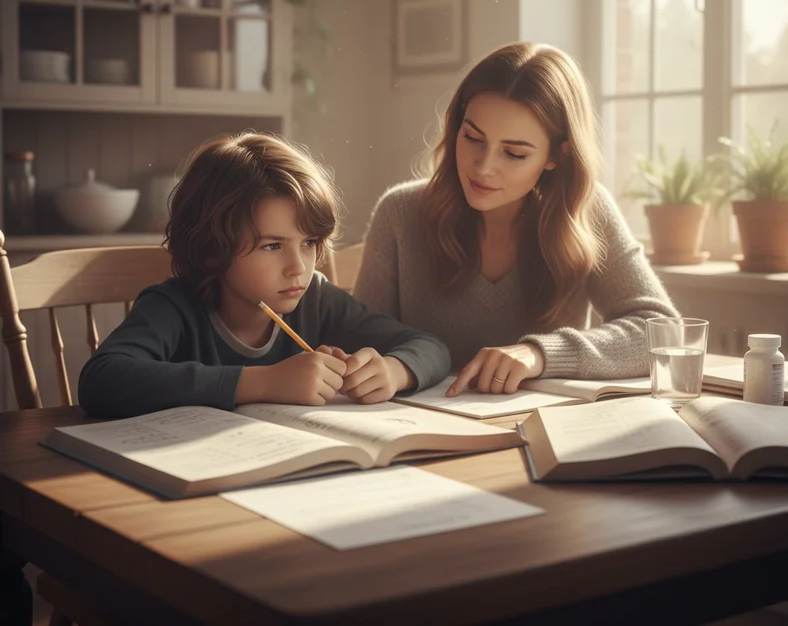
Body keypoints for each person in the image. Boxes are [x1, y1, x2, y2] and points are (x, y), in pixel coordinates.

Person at [353, 42, 678, 396]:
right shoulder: (400, 213)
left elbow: (663, 333)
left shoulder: (586, 210)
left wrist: (539, 354)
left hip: (545, 432)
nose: (483, 166)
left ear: (556, 156)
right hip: (414, 430)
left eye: (514, 153)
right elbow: (358, 344)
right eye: (473, 137)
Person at [78, 132, 450, 418]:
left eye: (308, 243)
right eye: (272, 246)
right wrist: (263, 382)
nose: (299, 267)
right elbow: (101, 381)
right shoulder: (175, 307)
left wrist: (393, 370)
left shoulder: (316, 299)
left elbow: (430, 347)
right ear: (210, 251)